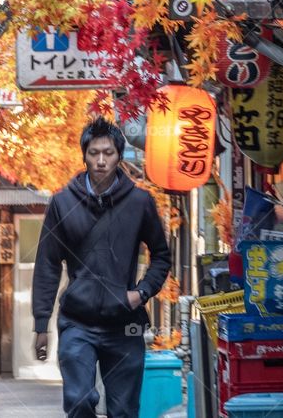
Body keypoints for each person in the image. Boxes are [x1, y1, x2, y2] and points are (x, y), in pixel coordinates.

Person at [32, 117, 171, 418]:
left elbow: (161, 255)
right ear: (84, 155)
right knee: (80, 401)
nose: (101, 160)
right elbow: (47, 264)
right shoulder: (62, 202)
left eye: (108, 153)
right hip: (76, 322)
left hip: (124, 322)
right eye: (94, 153)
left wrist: (141, 293)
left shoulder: (139, 202)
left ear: (119, 155)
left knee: (123, 410)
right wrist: (41, 323)